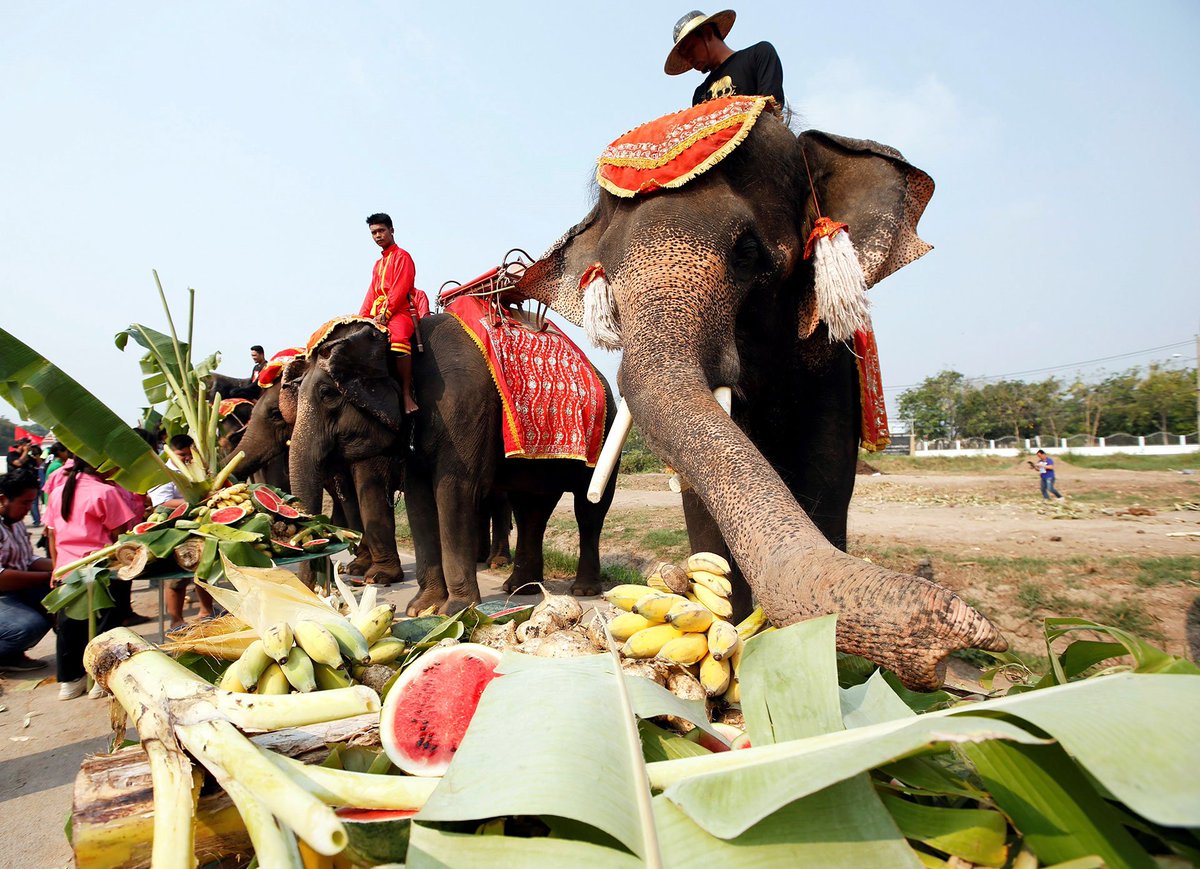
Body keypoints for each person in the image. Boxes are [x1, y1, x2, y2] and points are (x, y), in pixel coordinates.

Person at [44, 459, 138, 699]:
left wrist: (56, 568)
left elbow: (51, 535)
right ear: (99, 466)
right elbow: (119, 535)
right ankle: (101, 677)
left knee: (69, 627)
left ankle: (69, 680)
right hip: (102, 568)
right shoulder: (106, 492)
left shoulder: (58, 492)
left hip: (68, 568)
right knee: (106, 627)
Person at [147, 434, 214, 628]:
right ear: (171, 452)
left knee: (203, 571)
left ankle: (206, 611)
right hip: (174, 531)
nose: (186, 457)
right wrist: (194, 502)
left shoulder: (197, 468)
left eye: (189, 453)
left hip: (199, 527)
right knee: (177, 579)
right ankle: (176, 620)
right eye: (181, 454)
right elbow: (161, 503)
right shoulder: (163, 472)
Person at [359, 213, 419, 414]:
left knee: (399, 339)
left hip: (400, 311)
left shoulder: (403, 257)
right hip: (379, 311)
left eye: (381, 231)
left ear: (391, 230)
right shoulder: (378, 265)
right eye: (374, 233)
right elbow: (371, 294)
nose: (377, 236)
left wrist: (385, 314)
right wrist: (362, 318)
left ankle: (406, 393)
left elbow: (400, 289)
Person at [664, 9, 786, 108]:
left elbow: (772, 107)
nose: (689, 59)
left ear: (707, 33)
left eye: (690, 49)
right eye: (684, 56)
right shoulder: (699, 94)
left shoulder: (758, 54)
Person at [0, 467, 54, 673]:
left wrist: (64, 566)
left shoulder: (17, 524)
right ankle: (7, 654)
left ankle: (12, 653)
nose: (28, 509)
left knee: (61, 603)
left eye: (31, 502)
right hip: (4, 593)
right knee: (28, 627)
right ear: (4, 499)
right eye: (25, 502)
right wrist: (49, 576)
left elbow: (28, 559)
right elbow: (2, 578)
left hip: (15, 592)